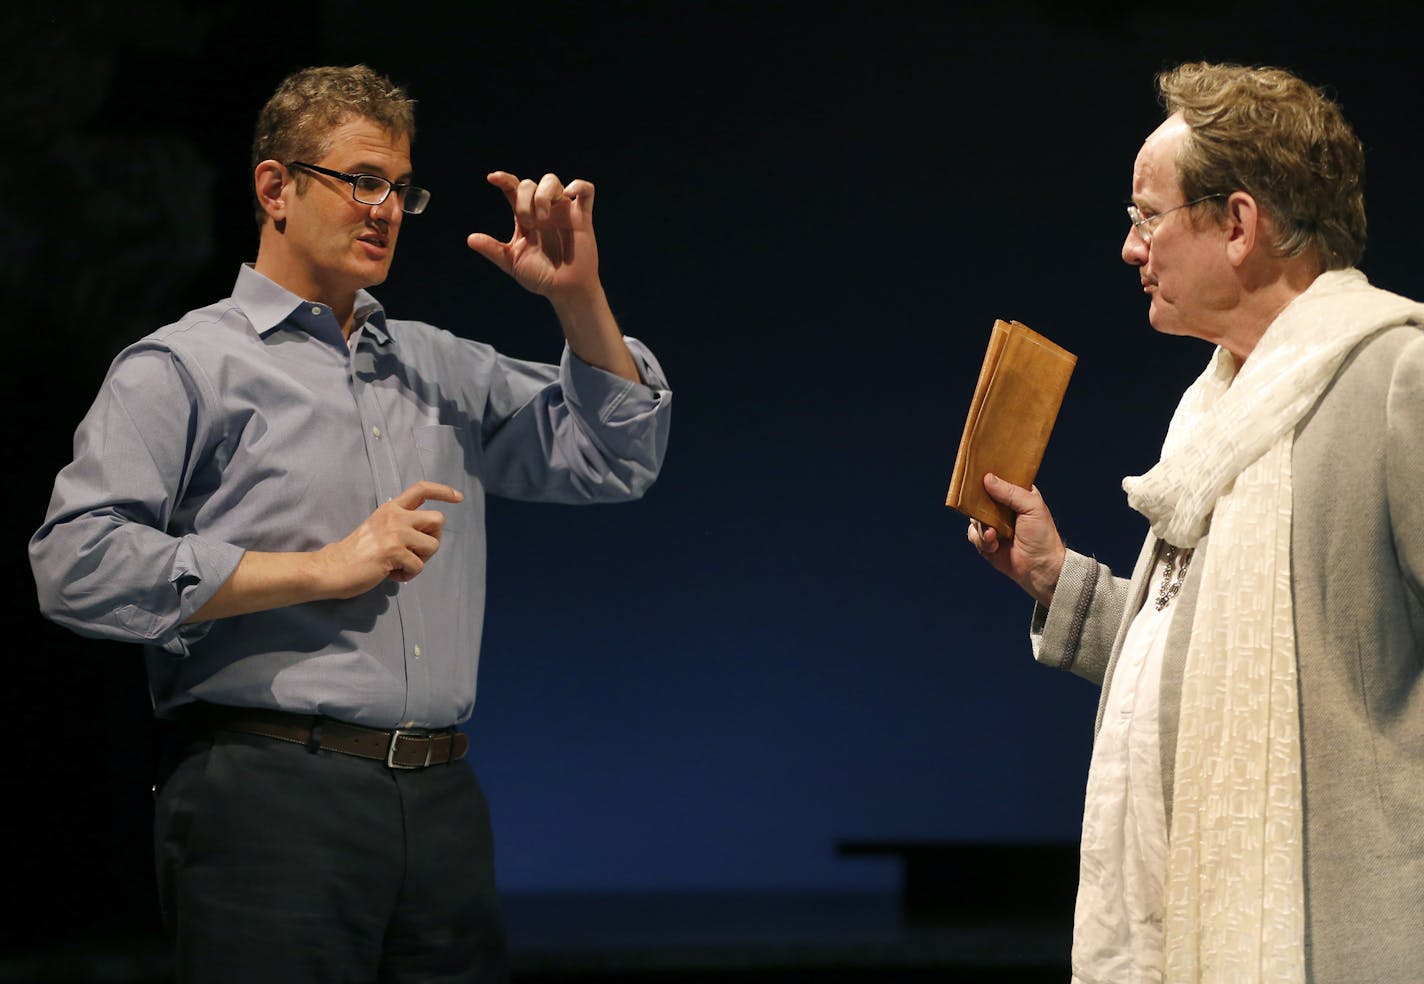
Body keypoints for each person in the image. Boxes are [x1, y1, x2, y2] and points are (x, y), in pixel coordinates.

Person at [29, 64, 671, 982]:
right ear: (275, 187)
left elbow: (617, 458)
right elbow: (75, 562)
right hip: (268, 792)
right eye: (360, 181)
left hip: (442, 801)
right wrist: (321, 569)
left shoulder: (438, 366)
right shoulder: (185, 366)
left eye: (400, 190)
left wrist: (578, 298)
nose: (384, 210)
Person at [968, 62, 1424, 983]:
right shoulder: (1217, 410)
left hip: (1334, 940)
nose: (1130, 248)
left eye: (1147, 216)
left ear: (1240, 224)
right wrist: (1066, 584)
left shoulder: (1393, 382)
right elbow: (1215, 661)